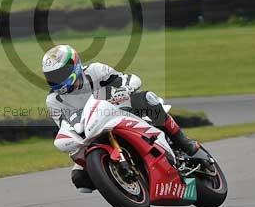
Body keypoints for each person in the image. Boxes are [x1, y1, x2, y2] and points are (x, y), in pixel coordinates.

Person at [42, 43, 200, 193]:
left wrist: (125, 89)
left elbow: (129, 79)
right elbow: (64, 126)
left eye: (60, 74)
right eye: (52, 76)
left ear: (74, 66)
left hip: (117, 111)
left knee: (146, 99)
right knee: (80, 179)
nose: (58, 79)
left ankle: (183, 141)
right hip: (91, 133)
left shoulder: (95, 71)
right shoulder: (54, 100)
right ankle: (120, 181)